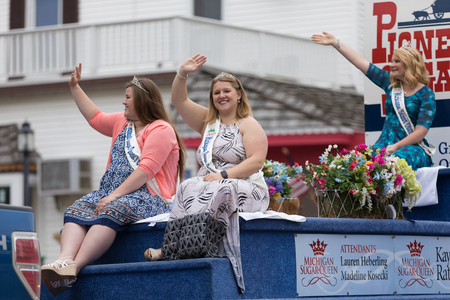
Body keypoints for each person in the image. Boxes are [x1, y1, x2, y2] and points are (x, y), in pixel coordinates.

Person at [41, 63, 186, 296]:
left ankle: (76, 267)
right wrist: (75, 87)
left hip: (148, 196)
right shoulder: (122, 122)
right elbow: (95, 117)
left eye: (128, 97)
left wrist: (114, 195)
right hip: (109, 192)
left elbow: (145, 170)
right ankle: (64, 261)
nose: (124, 102)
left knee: (112, 210)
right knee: (77, 208)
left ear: (142, 100)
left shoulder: (161, 129)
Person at [144, 54, 269, 294]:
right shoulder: (208, 122)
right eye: (216, 92)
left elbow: (256, 161)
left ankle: (201, 245)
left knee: (222, 188)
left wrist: (224, 174)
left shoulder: (248, 124)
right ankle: (171, 248)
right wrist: (182, 73)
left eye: (226, 91)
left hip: (246, 186)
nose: (221, 96)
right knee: (187, 185)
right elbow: (179, 100)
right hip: (209, 183)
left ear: (239, 94)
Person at [312, 32, 436, 170]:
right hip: (385, 145)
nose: (392, 65)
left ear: (409, 64)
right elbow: (362, 63)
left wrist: (397, 146)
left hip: (412, 149)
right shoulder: (390, 83)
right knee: (355, 163)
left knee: (395, 161)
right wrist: (336, 43)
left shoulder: (426, 94)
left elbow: (421, 132)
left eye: (397, 61)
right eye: (392, 61)